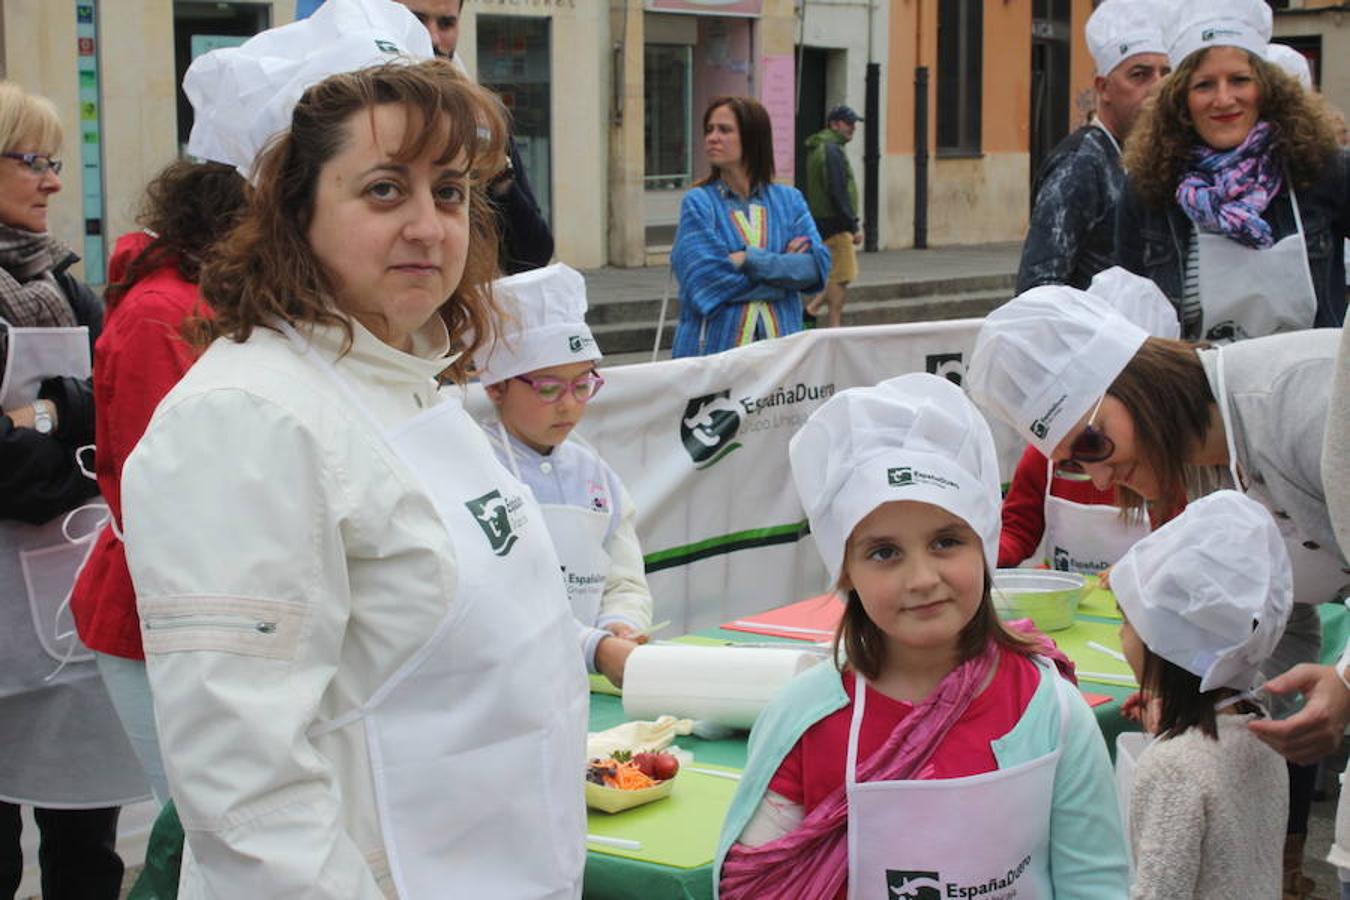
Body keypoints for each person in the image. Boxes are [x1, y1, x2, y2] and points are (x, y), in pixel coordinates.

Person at [120, 3, 587, 896]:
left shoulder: (411, 381)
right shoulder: (246, 419)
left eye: (448, 191)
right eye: (384, 189)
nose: (429, 225)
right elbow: (248, 795)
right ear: (290, 210)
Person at [966, 285, 1349, 900]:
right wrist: (1207, 705)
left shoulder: (1301, 398)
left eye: (1092, 443)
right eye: (1070, 463)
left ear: (1136, 376)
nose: (1098, 475)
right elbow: (1278, 621)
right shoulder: (1201, 470)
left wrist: (1348, 681)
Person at [714, 373, 1128, 899]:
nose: (923, 579)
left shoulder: (1051, 711)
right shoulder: (802, 721)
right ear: (845, 573)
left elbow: (1095, 883)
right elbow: (760, 885)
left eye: (946, 542)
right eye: (884, 552)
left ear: (985, 546)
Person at [0, 80, 149, 900]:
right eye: (34, 160)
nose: (55, 181)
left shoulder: (65, 287)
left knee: (86, 847)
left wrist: (44, 413)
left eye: (55, 161)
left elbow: (113, 411)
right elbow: (11, 474)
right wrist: (70, 435)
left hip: (67, 615)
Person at [67, 160, 247, 807]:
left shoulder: (204, 297)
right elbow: (163, 491)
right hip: (158, 612)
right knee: (197, 822)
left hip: (198, 608)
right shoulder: (162, 311)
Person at [1116, 0, 1349, 342]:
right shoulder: (1149, 189)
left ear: (1266, 88)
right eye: (1204, 85)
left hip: (1310, 392)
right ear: (1181, 98)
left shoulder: (1319, 169)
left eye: (1239, 80)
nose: (1224, 100)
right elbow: (1130, 324)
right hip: (1198, 393)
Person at [474, 262, 653, 687]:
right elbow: (493, 601)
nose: (569, 405)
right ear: (496, 387)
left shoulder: (595, 474)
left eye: (582, 385)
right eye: (549, 388)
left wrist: (619, 624)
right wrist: (594, 648)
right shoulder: (475, 470)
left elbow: (624, 576)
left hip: (582, 683)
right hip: (502, 686)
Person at [1112, 490, 1293, 899]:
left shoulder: (1174, 767)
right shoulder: (1260, 726)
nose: (1120, 636)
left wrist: (1171, 749)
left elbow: (1160, 892)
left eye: (1127, 622)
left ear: (1163, 641)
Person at [998, 266, 1174, 572]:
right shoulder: (1047, 455)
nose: (1102, 476)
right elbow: (1017, 528)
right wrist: (981, 558)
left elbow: (1180, 550)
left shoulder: (1177, 467)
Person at [1016, 0, 1169, 293]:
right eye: (1140, 74)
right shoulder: (1082, 163)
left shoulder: (1148, 158)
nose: (1156, 87)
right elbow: (1037, 291)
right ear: (1103, 88)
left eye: (1166, 73)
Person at [394, 0, 553, 273]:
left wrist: (497, 174)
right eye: (416, 20)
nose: (432, 37)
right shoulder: (349, 112)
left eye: (446, 24)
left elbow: (532, 254)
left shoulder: (481, 116)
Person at [670, 96, 830, 357]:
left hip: (781, 359)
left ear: (753, 137)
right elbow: (702, 282)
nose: (712, 137)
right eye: (709, 130)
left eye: (725, 130)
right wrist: (784, 277)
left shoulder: (789, 200)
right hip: (713, 355)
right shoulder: (699, 202)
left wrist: (747, 258)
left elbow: (815, 270)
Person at [802, 105, 862, 329]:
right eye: (849, 123)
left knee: (840, 272)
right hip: (836, 223)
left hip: (825, 221)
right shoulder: (831, 150)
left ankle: (814, 308)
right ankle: (833, 323)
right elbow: (838, 190)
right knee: (843, 274)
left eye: (854, 124)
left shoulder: (821, 147)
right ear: (834, 124)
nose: (853, 128)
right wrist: (852, 225)